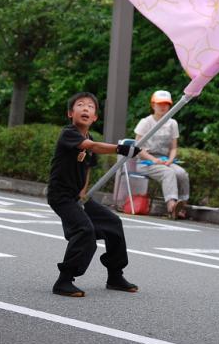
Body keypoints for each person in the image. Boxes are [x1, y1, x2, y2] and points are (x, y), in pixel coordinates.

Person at [47, 91, 141, 298]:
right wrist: (120, 148)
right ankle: (64, 281)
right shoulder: (69, 133)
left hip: (78, 196)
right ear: (70, 113)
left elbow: (87, 167)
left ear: (95, 117)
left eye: (90, 107)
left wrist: (83, 193)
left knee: (113, 223)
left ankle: (115, 275)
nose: (85, 109)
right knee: (84, 230)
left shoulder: (91, 137)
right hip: (61, 195)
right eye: (80, 105)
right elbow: (90, 147)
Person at [134, 90, 190, 219]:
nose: (163, 107)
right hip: (145, 162)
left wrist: (170, 160)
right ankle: (171, 206)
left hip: (165, 160)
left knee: (182, 173)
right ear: (153, 105)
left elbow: (174, 147)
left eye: (166, 104)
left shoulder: (172, 123)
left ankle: (182, 206)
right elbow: (138, 148)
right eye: (159, 104)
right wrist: (154, 159)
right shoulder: (145, 122)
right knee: (168, 173)